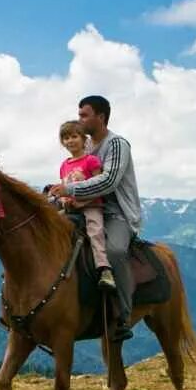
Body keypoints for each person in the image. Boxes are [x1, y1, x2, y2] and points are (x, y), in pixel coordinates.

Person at [49, 95, 140, 344]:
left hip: (116, 213)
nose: (80, 119)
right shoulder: (83, 148)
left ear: (100, 117)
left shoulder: (118, 145)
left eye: (84, 115)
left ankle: (123, 316)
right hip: (80, 208)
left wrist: (70, 191)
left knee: (116, 251)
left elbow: (109, 180)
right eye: (79, 115)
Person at [55, 119, 115, 290]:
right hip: (70, 208)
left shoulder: (91, 161)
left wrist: (83, 201)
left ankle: (104, 269)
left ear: (84, 139)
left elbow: (99, 186)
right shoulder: (64, 165)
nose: (70, 141)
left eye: (74, 136)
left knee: (95, 232)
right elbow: (65, 186)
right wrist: (63, 198)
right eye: (66, 138)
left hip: (91, 206)